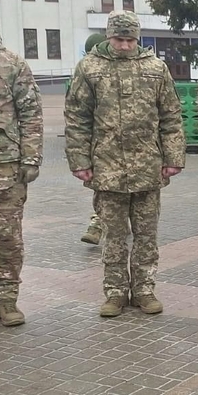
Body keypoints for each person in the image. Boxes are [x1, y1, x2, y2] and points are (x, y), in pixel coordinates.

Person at [65, 11, 186, 317]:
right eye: (119, 39)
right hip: (107, 167)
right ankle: (115, 292)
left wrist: (173, 158)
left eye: (130, 40)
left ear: (137, 38)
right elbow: (77, 118)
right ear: (109, 37)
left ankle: (144, 290)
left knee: (147, 235)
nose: (124, 46)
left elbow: (171, 116)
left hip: (147, 166)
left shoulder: (155, 68)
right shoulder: (90, 68)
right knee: (114, 236)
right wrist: (80, 161)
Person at [0, 40, 43, 327]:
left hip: (6, 166)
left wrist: (31, 158)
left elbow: (30, 113)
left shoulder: (12, 64)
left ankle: (7, 300)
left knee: (7, 236)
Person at [79, 33, 108, 246]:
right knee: (103, 189)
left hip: (113, 145)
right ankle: (97, 224)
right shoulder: (85, 72)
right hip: (97, 146)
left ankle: (99, 224)